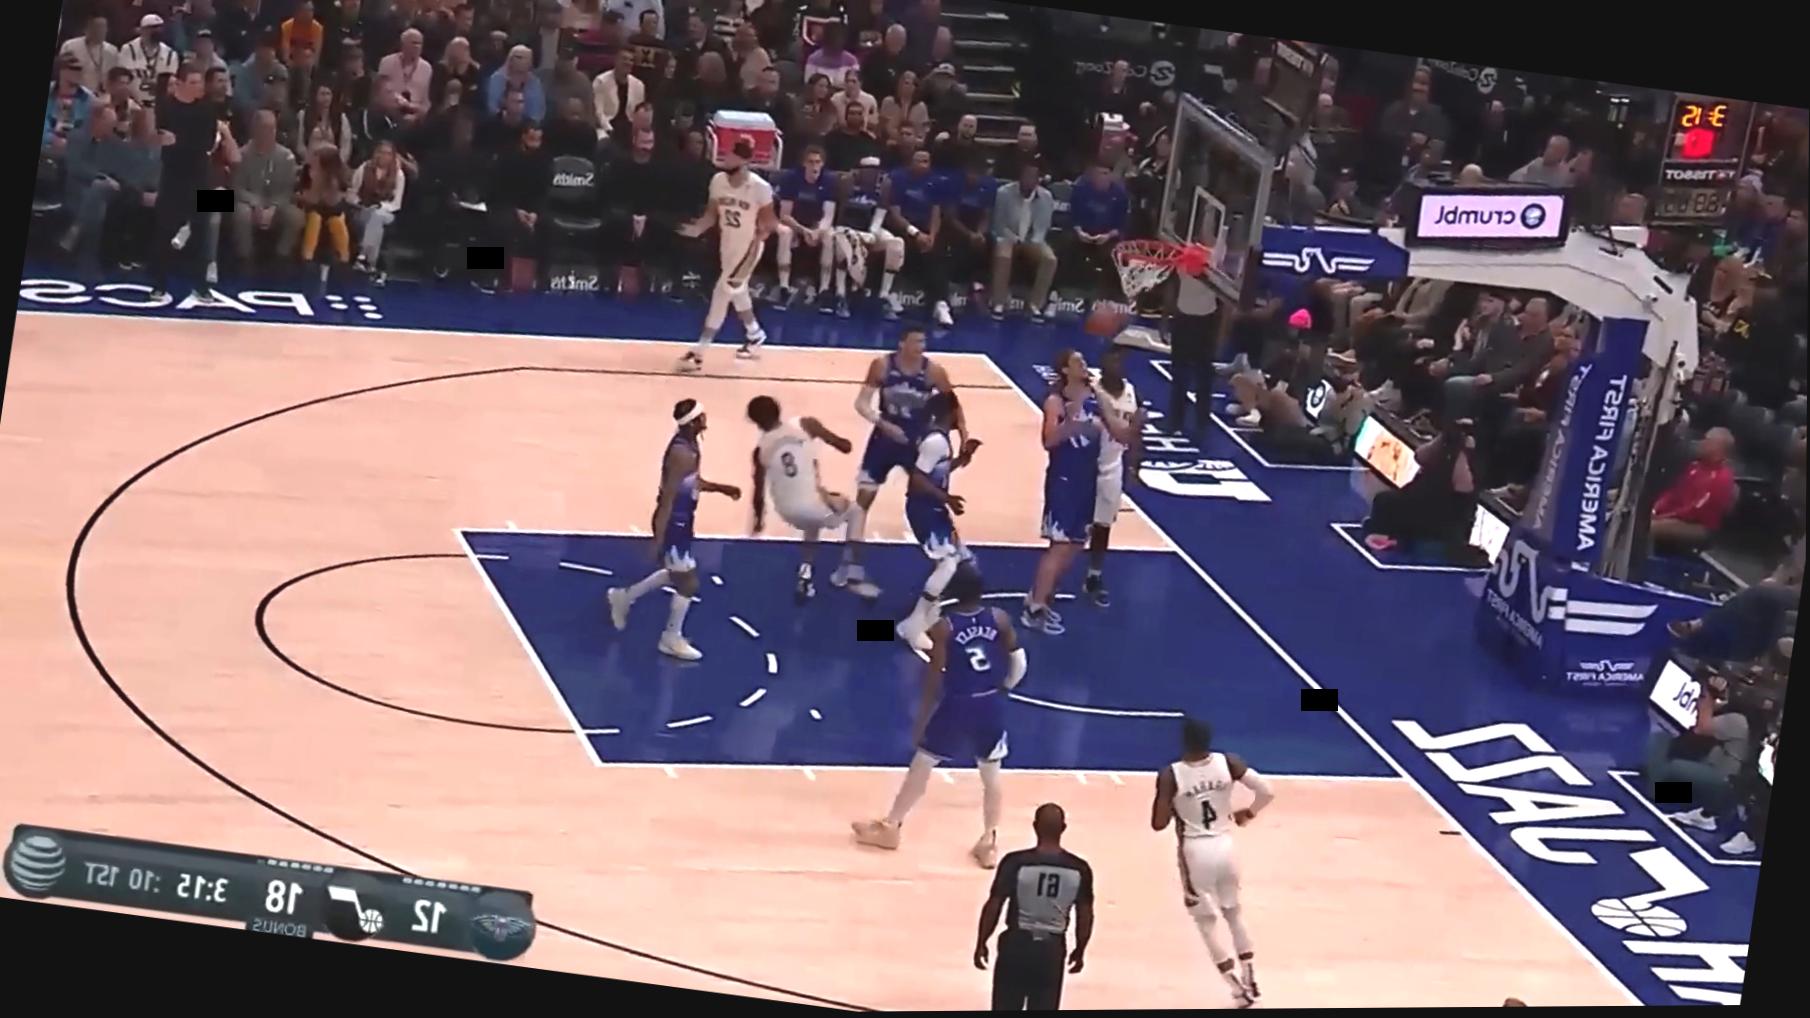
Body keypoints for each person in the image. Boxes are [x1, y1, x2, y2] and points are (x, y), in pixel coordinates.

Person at [852, 560, 1025, 866]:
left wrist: (922, 716)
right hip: (989, 704)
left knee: (922, 764)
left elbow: (934, 676)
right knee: (991, 774)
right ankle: (989, 840)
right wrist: (1005, 687)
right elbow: (1020, 662)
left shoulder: (946, 627)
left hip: (958, 704)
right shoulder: (999, 618)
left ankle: (892, 826)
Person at [835, 328, 974, 599]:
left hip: (917, 441)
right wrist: (883, 424)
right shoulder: (882, 366)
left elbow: (953, 404)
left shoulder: (934, 372)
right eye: (917, 340)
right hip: (884, 439)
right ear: (902, 343)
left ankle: (955, 556)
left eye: (924, 340)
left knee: (931, 498)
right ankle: (850, 563)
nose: (922, 345)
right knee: (863, 501)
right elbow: (861, 404)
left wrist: (964, 433)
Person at [1153, 717, 1275, 1009]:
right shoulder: (1228, 762)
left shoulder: (1172, 774)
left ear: (1183, 740)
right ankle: (1250, 975)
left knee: (1206, 922)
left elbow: (1158, 823)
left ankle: (1236, 988)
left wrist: (1170, 802)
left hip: (1195, 852)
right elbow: (1267, 791)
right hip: (1225, 845)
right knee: (1234, 913)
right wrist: (1249, 813)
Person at [607, 399, 742, 661]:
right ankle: (670, 637)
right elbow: (668, 496)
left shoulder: (691, 447)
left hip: (683, 521)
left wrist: (722, 489)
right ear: (692, 422)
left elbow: (693, 482)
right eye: (701, 416)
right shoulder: (681, 453)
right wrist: (658, 538)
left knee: (675, 574)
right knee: (688, 583)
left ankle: (623, 597)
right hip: (673, 524)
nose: (705, 420)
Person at [1024, 349, 1135, 636]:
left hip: (1088, 479)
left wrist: (1134, 425)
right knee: (1059, 545)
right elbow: (1048, 441)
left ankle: (1040, 596)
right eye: (1078, 362)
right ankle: (1034, 610)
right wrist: (1071, 424)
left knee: (1075, 544)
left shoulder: (1096, 396)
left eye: (1085, 361)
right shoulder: (1056, 400)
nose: (1085, 365)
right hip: (1064, 480)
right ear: (1065, 370)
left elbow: (1120, 433)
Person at [973, 804, 1095, 1011]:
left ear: (1035, 826)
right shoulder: (1079, 869)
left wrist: (982, 941)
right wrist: (1080, 949)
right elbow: (1085, 915)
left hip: (1016, 946)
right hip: (1051, 951)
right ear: (1063, 828)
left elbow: (995, 904)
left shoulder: (1016, 863)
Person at [747, 395, 867, 603]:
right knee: (856, 511)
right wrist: (834, 440)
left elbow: (758, 495)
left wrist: (759, 521)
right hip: (812, 504)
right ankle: (848, 572)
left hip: (786, 510)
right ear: (779, 409)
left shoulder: (760, 451)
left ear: (755, 422)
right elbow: (845, 446)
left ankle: (805, 573)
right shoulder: (805, 425)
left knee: (813, 522)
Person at [674, 138, 776, 372]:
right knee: (738, 291)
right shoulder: (718, 181)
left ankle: (699, 352)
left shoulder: (759, 187)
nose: (727, 158)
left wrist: (762, 235)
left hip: (748, 251)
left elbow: (770, 222)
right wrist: (696, 229)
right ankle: (755, 334)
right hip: (727, 248)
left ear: (744, 160)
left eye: (733, 154)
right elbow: (711, 216)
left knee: (722, 292)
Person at [895, 390, 985, 650]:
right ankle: (913, 626)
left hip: (932, 508)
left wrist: (962, 460)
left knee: (957, 561)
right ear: (951, 412)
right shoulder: (935, 441)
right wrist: (947, 498)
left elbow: (938, 471)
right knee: (947, 564)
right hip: (924, 509)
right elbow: (917, 480)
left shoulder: (940, 441)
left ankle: (925, 617)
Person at [150, 63, 224, 300]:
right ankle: (159, 283)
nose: (198, 86)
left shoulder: (208, 109)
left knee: (203, 229)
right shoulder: (166, 107)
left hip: (201, 174)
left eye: (200, 82)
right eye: (193, 82)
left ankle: (201, 284)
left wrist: (178, 142)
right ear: (180, 83)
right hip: (172, 175)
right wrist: (176, 143)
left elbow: (206, 144)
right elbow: (161, 139)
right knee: (164, 228)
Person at [1361, 418, 1482, 561]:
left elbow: (1462, 487)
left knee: (1413, 517)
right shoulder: (1442, 449)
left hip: (1442, 515)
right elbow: (1419, 456)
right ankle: (1382, 538)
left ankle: (1399, 543)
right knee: (1384, 500)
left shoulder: (1471, 464)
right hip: (1418, 499)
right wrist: (1444, 437)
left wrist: (1462, 450)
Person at [1086, 346, 1141, 607]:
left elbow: (1135, 434)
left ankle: (1093, 576)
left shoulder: (1132, 392)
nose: (1115, 365)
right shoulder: (1091, 391)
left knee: (1102, 525)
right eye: (1110, 360)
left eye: (1119, 361)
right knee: (1075, 525)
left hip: (1112, 465)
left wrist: (1134, 467)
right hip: (1084, 465)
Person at [884, 147, 954, 326]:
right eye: (918, 161)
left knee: (936, 252)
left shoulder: (935, 181)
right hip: (902, 228)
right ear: (911, 162)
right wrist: (915, 233)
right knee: (901, 246)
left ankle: (940, 304)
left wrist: (932, 236)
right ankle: (889, 295)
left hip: (925, 229)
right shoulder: (898, 177)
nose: (922, 164)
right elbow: (895, 214)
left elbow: (936, 212)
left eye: (926, 161)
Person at [229, 108, 303, 274]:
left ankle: (281, 257)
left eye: (273, 128)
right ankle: (245, 258)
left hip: (276, 205)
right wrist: (255, 203)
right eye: (266, 128)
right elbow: (236, 188)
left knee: (296, 216)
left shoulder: (286, 156)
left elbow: (288, 191)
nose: (271, 133)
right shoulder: (242, 154)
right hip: (249, 204)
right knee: (242, 213)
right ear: (255, 130)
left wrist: (273, 207)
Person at [829, 156, 902, 319]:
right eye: (869, 171)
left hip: (869, 230)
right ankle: (841, 295)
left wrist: (871, 234)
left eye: (875, 171)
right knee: (844, 241)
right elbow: (839, 217)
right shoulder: (846, 183)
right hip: (845, 228)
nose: (872, 174)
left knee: (896, 244)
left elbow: (879, 217)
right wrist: (856, 234)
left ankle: (884, 297)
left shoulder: (884, 186)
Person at [988, 157, 1056, 322]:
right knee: (1003, 255)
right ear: (1020, 176)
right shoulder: (1004, 193)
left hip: (1033, 240)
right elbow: (999, 224)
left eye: (1033, 176)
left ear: (1038, 179)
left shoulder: (1047, 197)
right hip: (1008, 236)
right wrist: (1014, 239)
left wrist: (1032, 242)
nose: (1029, 179)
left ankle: (1035, 305)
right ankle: (999, 302)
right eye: (1026, 175)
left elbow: (1043, 227)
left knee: (1050, 259)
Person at [1650, 428, 1738, 554]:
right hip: (1677, 517)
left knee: (1648, 527)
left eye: (1707, 441)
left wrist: (1663, 516)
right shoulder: (1695, 467)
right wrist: (1655, 509)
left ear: (1719, 447)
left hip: (1700, 527)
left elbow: (1696, 510)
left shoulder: (1722, 477)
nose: (1702, 443)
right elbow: (1674, 493)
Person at [771, 144, 838, 307]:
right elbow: (784, 215)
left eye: (818, 162)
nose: (814, 166)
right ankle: (784, 286)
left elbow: (828, 215)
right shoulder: (791, 178)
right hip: (795, 223)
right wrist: (802, 231)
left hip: (817, 225)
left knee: (829, 236)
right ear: (804, 163)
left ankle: (824, 289)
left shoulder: (829, 181)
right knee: (785, 233)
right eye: (811, 162)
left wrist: (817, 231)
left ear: (822, 164)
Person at [349, 137, 406, 283]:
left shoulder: (398, 175)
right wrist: (359, 203)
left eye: (388, 153)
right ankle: (371, 264)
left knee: (377, 215)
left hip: (387, 213)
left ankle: (363, 256)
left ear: (393, 156)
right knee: (375, 220)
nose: (384, 156)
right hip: (363, 209)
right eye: (381, 152)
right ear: (376, 153)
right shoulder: (364, 168)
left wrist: (381, 206)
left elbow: (396, 204)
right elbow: (352, 193)